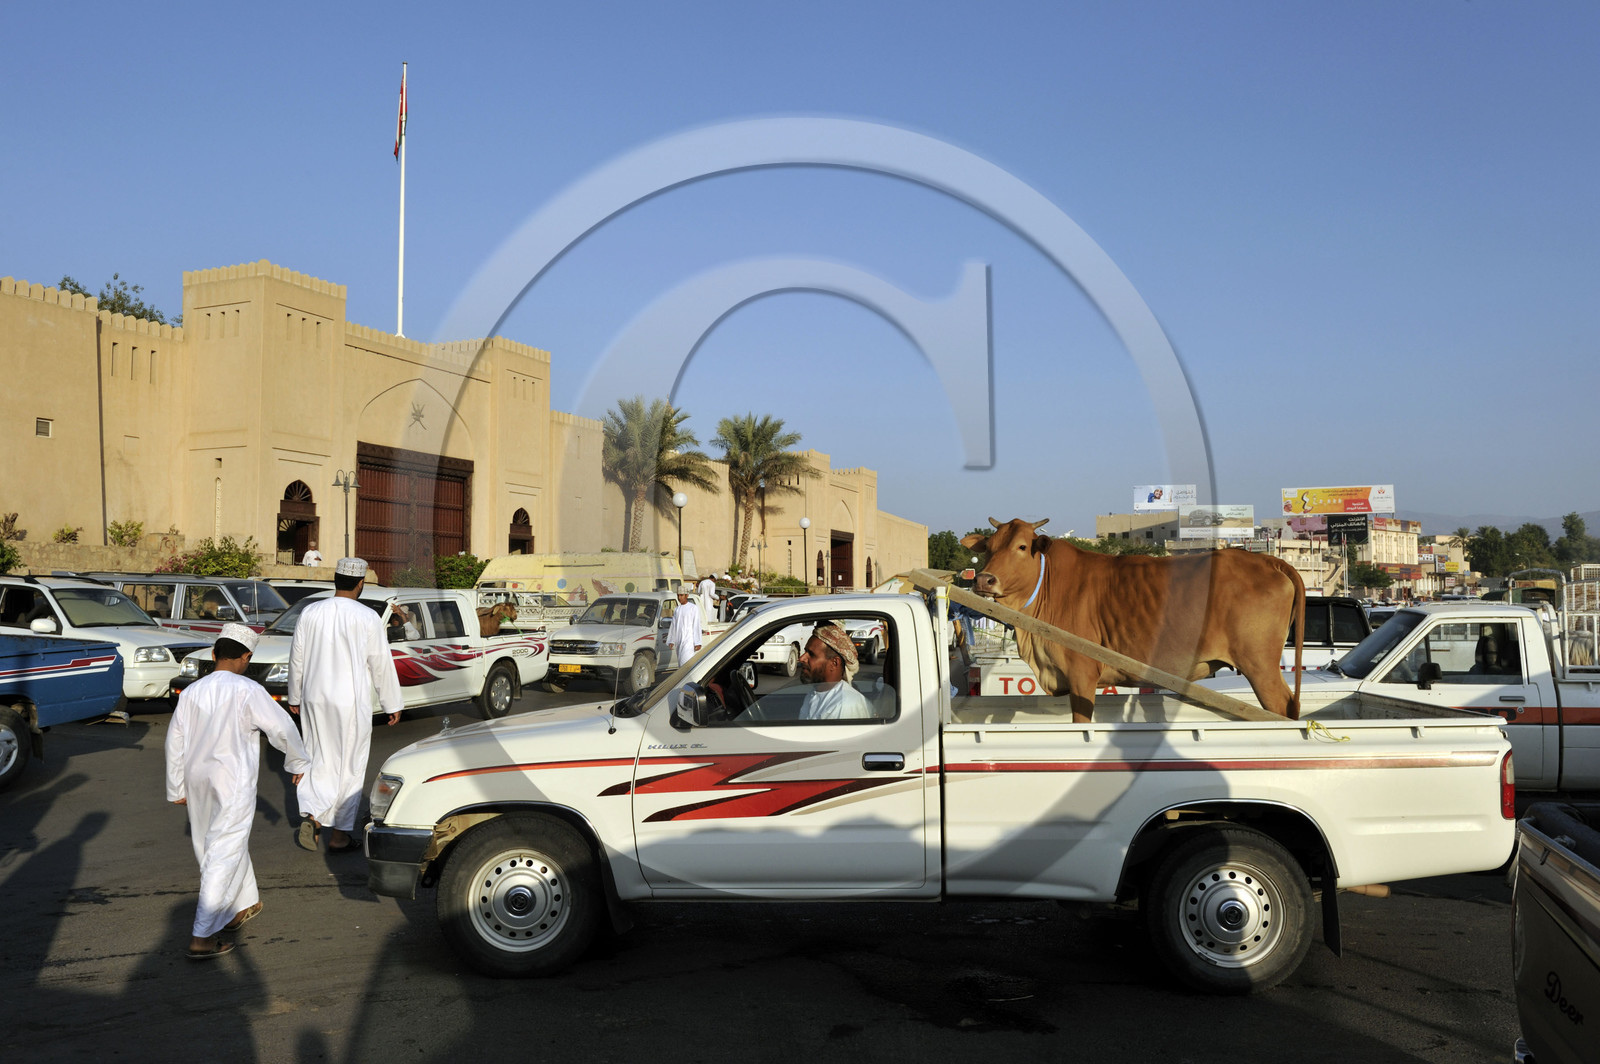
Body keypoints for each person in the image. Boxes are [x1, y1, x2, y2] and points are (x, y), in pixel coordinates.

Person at [166, 623, 311, 959]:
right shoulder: (247, 690)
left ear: (214, 654)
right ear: (246, 657)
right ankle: (202, 937)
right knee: (224, 850)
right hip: (231, 781)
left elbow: (176, 741)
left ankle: (240, 906)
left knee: (213, 845)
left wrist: (177, 785)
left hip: (197, 779)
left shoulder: (192, 691)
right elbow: (281, 728)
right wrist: (298, 763)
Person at [287, 557, 403, 854]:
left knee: (317, 757)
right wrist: (392, 702)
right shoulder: (366, 617)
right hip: (349, 701)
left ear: (335, 580)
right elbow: (380, 663)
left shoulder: (310, 612)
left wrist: (295, 697)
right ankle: (339, 836)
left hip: (314, 697)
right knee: (349, 765)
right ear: (360, 583)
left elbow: (296, 658)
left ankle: (313, 814)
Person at [797, 622, 873, 720]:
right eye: (805, 651)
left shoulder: (845, 704)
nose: (802, 658)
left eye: (811, 654)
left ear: (834, 663)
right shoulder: (815, 693)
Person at [665, 588, 702, 669]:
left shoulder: (693, 608)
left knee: (685, 663)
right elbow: (673, 625)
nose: (679, 598)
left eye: (681, 595)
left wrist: (697, 642)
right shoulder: (677, 609)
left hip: (689, 640)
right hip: (679, 640)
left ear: (687, 595)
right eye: (678, 595)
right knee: (680, 663)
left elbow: (696, 625)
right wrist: (671, 640)